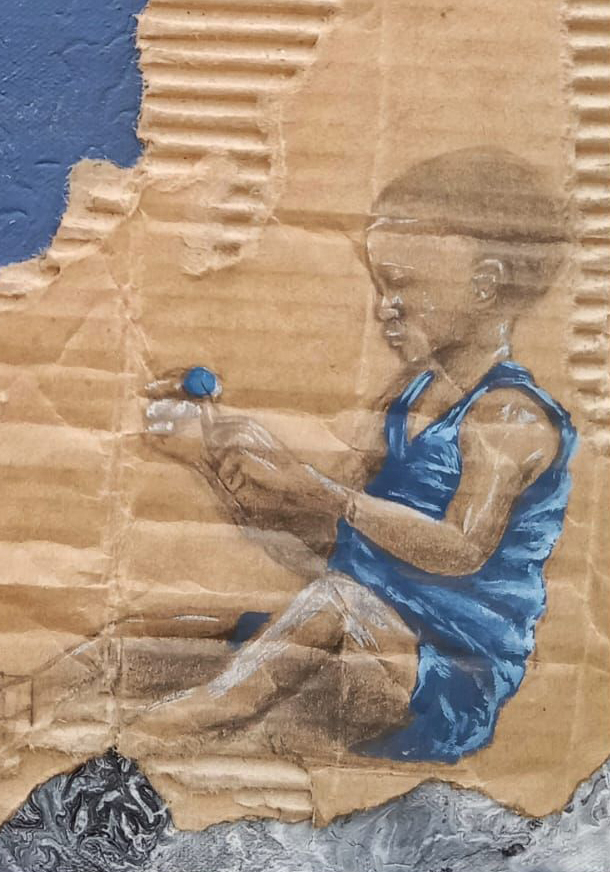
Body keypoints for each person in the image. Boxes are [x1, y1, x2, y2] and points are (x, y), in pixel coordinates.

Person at [122, 146, 577, 762]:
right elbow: (324, 541)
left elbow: (460, 549)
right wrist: (210, 457)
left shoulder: (509, 416)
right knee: (142, 645)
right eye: (380, 284)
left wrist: (319, 488)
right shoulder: (404, 401)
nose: (384, 306)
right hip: (358, 637)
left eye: (402, 284)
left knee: (331, 604)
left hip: (447, 680)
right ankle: (12, 720)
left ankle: (136, 747)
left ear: (485, 284)